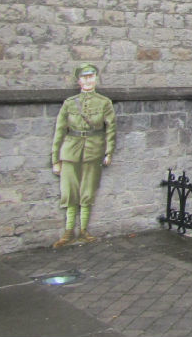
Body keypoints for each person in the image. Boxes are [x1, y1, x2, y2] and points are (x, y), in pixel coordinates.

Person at [50, 63, 116, 247]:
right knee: (70, 192)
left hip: (93, 150)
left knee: (87, 192)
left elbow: (111, 129)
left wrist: (109, 152)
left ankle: (84, 231)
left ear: (96, 78)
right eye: (84, 77)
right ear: (78, 80)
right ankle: (69, 231)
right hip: (71, 151)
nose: (88, 80)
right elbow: (60, 131)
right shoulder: (70, 103)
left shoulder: (104, 103)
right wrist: (55, 159)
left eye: (91, 76)